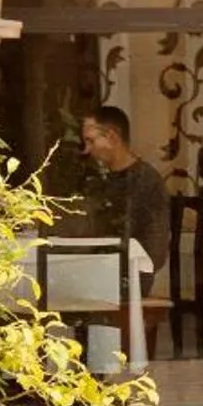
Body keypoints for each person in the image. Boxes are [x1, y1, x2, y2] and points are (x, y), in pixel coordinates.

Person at [78, 105, 171, 284]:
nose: (86, 150)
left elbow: (155, 250)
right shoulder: (95, 181)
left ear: (112, 138)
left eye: (91, 141)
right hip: (89, 272)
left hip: (128, 280)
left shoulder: (146, 182)